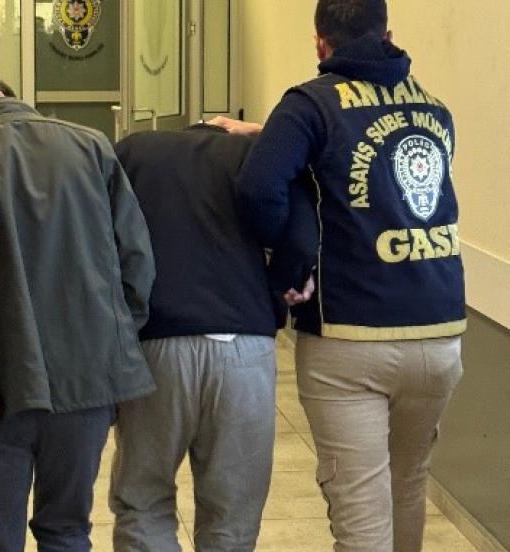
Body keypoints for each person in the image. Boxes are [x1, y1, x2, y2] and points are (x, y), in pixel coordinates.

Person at [237, 1, 466, 550]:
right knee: (407, 485)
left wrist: (288, 269)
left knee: (361, 513)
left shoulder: (309, 104)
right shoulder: (435, 108)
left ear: (320, 42)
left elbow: (259, 188)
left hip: (351, 336)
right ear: (388, 35)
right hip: (440, 333)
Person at [0, 74, 156, 551]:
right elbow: (137, 264)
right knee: (68, 531)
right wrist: (108, 355)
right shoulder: (92, 147)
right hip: (86, 385)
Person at [109, 120, 317, 552]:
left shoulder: (134, 152)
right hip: (246, 347)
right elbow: (301, 237)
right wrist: (284, 281)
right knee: (232, 512)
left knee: (143, 501)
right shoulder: (255, 158)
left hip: (155, 345)